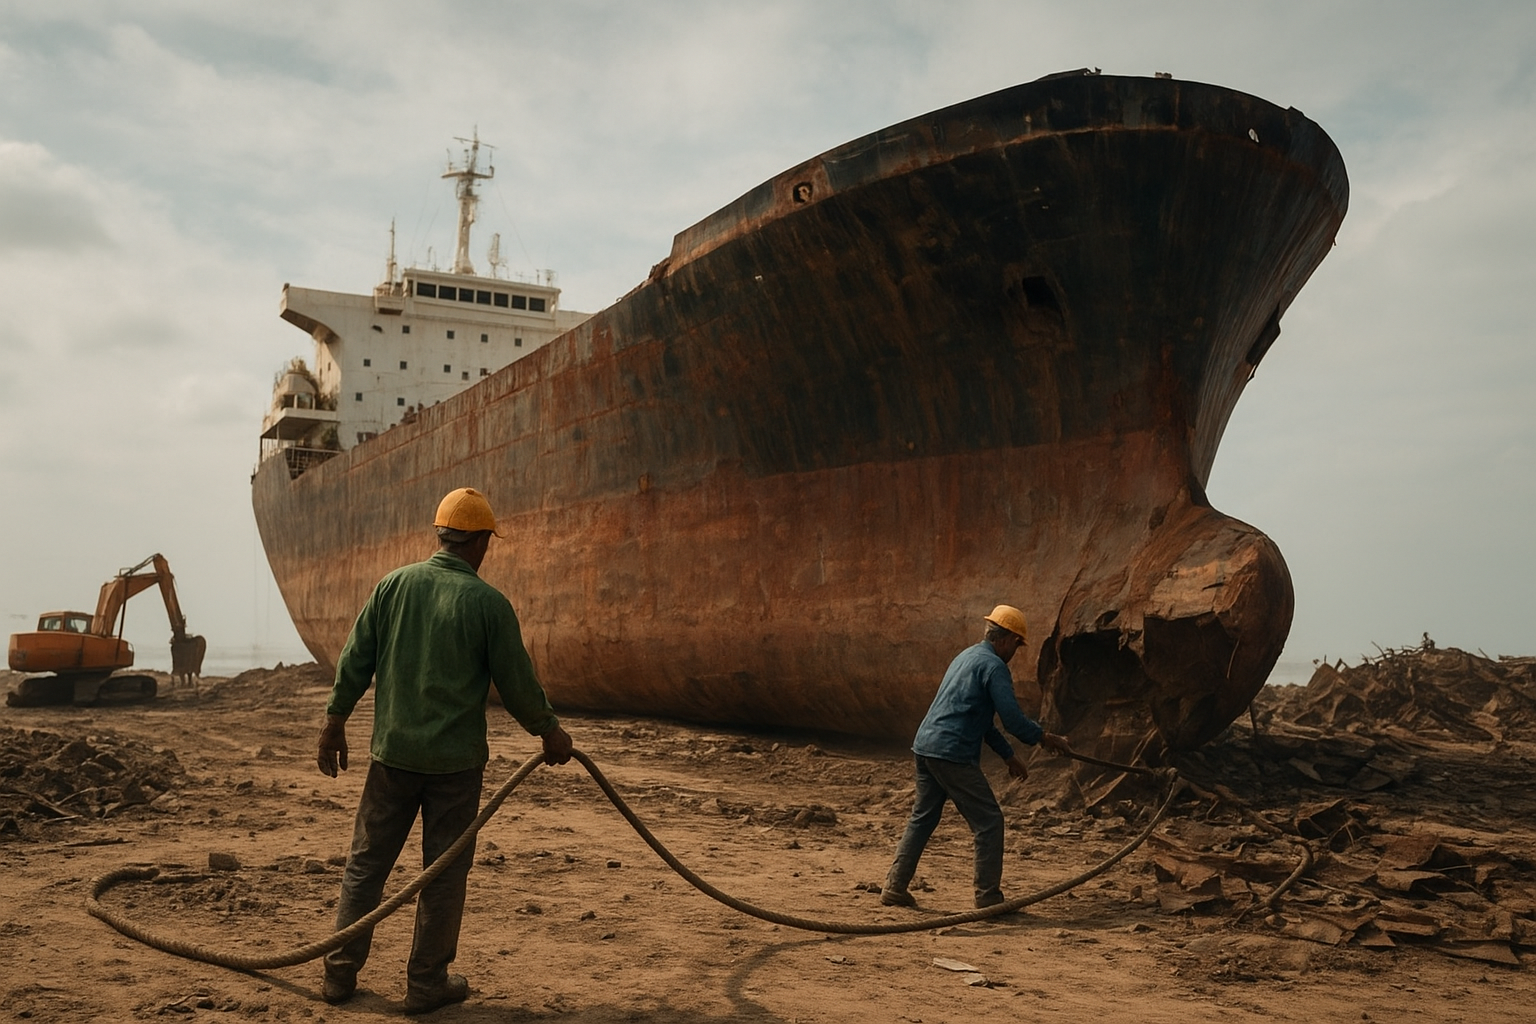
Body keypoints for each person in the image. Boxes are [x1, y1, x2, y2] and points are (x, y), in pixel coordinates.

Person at [315, 486, 573, 1014]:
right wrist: (548, 731)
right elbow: (517, 682)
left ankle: (339, 974)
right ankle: (426, 985)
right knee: (444, 874)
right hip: (455, 768)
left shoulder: (393, 587)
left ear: (440, 535)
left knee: (366, 866)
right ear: (478, 541)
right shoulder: (488, 605)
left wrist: (334, 720)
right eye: (487, 542)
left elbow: (355, 656)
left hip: (392, 756)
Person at [881, 604, 1071, 910]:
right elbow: (1011, 719)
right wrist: (1045, 738)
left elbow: (981, 719)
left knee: (923, 817)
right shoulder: (995, 667)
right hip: (951, 752)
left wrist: (1009, 756)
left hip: (926, 747)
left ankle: (894, 886)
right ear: (1006, 639)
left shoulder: (966, 657)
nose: (1015, 652)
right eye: (1017, 645)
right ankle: (989, 899)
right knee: (990, 822)